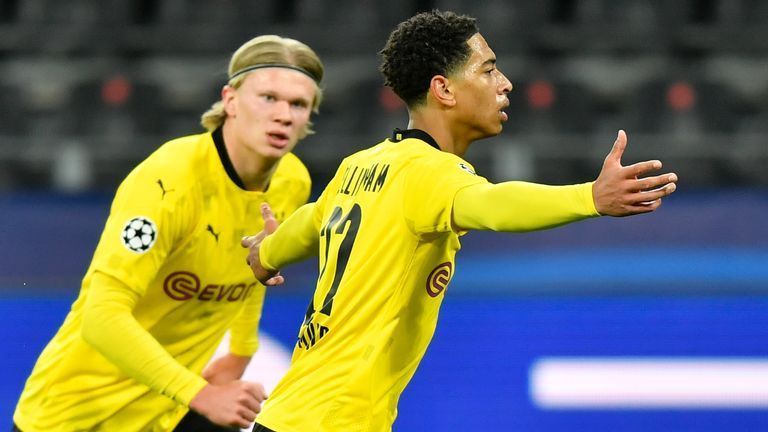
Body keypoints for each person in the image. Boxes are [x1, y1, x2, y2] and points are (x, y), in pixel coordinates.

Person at [241, 10, 679, 432]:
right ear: (444, 90)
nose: (505, 84)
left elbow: (308, 225)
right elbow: (493, 204)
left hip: (288, 415)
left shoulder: (359, 165)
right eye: (488, 70)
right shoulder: (429, 173)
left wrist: (266, 254)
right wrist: (590, 197)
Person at [13, 34, 324, 432]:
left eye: (298, 104)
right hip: (75, 415)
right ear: (230, 100)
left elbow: (252, 266)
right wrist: (201, 394)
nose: (284, 114)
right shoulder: (169, 181)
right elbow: (101, 315)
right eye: (268, 98)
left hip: (167, 411)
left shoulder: (291, 182)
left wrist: (242, 351)